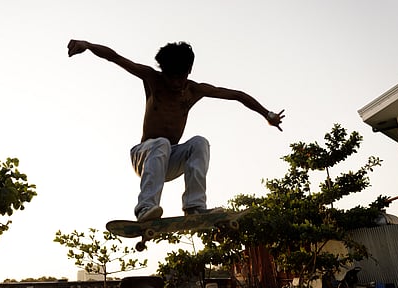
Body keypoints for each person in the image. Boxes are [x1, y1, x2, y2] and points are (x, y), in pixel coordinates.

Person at [67, 40, 284, 222]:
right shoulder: (152, 79)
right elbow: (115, 57)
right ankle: (145, 208)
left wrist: (267, 114)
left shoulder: (194, 90)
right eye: (171, 77)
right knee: (160, 142)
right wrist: (87, 45)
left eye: (181, 77)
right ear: (164, 72)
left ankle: (194, 207)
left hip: (169, 159)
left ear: (189, 71)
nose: (176, 83)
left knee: (199, 142)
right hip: (143, 156)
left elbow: (237, 95)